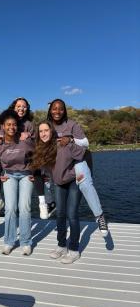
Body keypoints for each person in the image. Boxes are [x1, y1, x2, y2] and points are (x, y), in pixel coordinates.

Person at [47, 99, 108, 236]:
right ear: (50, 110)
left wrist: (71, 139)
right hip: (61, 166)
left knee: (85, 184)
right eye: (54, 108)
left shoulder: (72, 124)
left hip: (77, 161)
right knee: (59, 209)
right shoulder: (48, 126)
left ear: (65, 110)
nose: (57, 111)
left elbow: (85, 143)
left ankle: (99, 216)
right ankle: (61, 242)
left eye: (61, 108)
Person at [30, 120, 86, 264]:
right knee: (60, 214)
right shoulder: (41, 149)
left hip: (74, 181)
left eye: (46, 130)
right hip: (59, 184)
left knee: (71, 214)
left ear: (52, 131)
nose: (43, 133)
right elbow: (38, 168)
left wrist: (84, 173)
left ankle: (74, 249)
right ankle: (61, 245)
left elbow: (83, 154)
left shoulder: (62, 143)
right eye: (41, 131)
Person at [0, 109, 34, 256]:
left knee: (24, 208)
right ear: (3, 126)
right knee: (10, 208)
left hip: (26, 175)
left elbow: (36, 156)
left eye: (14, 124)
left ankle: (25, 242)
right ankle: (9, 241)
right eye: (8, 125)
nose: (11, 127)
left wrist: (35, 173)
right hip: (9, 175)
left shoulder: (24, 140)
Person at [0, 97, 36, 217]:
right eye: (18, 106)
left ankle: (45, 201)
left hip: (24, 161)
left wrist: (29, 135)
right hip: (8, 157)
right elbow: (1, 135)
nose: (21, 108)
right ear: (13, 107)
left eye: (24, 106)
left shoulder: (29, 124)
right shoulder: (6, 121)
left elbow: (35, 144)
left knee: (25, 206)